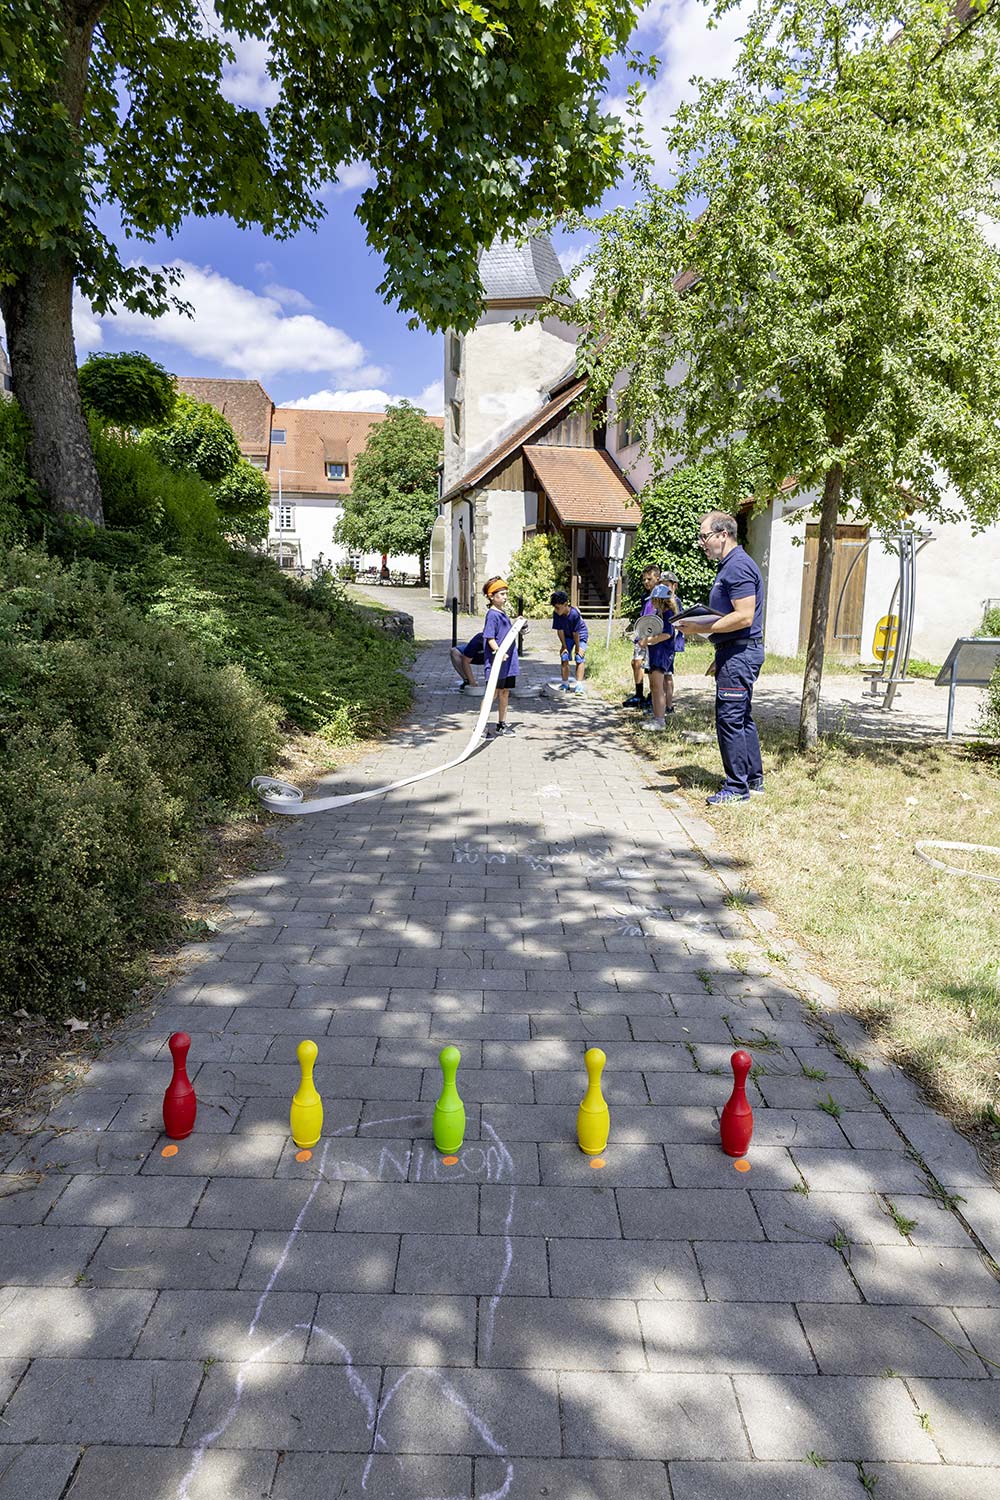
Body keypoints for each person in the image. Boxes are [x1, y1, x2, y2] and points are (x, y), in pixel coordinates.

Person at [681, 511, 765, 804]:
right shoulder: (730, 566)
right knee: (740, 716)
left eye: (704, 536)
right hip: (735, 651)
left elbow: (743, 616)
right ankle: (753, 780)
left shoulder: (738, 567)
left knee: (729, 718)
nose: (701, 542)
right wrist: (722, 653)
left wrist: (698, 628)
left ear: (723, 535)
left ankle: (737, 789)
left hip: (740, 651)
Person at [640, 579, 683, 730]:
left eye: (654, 599)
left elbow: (667, 634)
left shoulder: (668, 613)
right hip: (655, 653)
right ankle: (656, 717)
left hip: (662, 653)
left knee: (658, 687)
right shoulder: (659, 613)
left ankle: (660, 721)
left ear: (661, 600)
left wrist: (648, 640)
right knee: (654, 686)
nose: (652, 602)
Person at [482, 577, 519, 736]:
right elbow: (489, 637)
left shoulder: (502, 613)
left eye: (506, 594)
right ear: (491, 596)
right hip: (497, 662)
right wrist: (498, 652)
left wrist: (517, 624)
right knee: (493, 693)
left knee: (505, 692)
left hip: (508, 662)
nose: (505, 597)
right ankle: (482, 726)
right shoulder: (492, 615)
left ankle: (501, 724)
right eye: (502, 594)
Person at [623, 563, 662, 707]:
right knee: (636, 663)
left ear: (657, 578)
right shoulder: (644, 596)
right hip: (641, 633)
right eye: (644, 579)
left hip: (654, 635)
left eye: (649, 579)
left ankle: (653, 696)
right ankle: (639, 694)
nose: (646, 582)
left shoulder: (661, 595)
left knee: (651, 667)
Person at [550, 590, 588, 693]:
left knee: (579, 657)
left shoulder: (574, 614)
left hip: (580, 635)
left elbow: (576, 633)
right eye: (555, 608)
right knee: (564, 656)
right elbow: (560, 631)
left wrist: (578, 648)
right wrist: (564, 646)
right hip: (567, 635)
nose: (556, 610)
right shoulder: (557, 614)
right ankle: (565, 683)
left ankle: (579, 685)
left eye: (558, 607)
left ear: (565, 604)